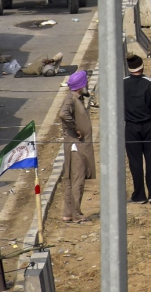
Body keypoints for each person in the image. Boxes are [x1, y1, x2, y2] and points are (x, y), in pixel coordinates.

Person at [124, 55, 151, 203]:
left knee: (135, 162)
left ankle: (139, 195)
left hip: (130, 127)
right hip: (149, 126)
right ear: (142, 66)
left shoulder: (121, 84)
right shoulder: (150, 83)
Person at [59, 69, 95, 222]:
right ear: (81, 86)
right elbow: (63, 114)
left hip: (77, 145)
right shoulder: (71, 99)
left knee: (71, 179)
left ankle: (68, 213)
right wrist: (75, 128)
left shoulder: (77, 98)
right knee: (77, 180)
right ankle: (76, 214)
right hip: (76, 146)